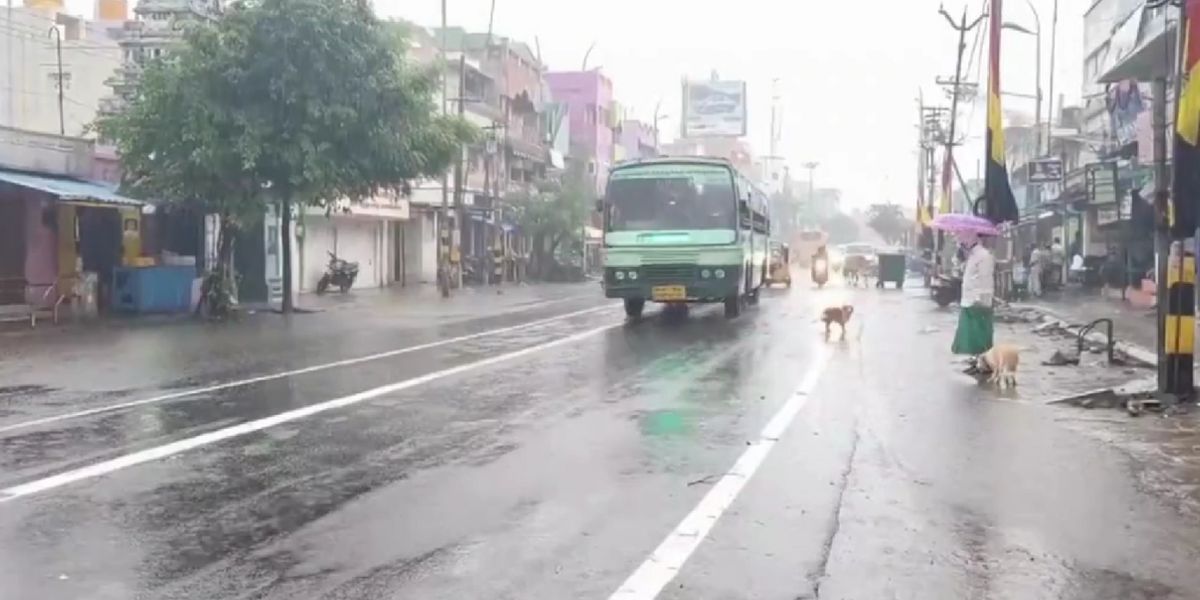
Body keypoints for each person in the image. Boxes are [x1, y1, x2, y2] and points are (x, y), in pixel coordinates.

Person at [952, 231, 996, 372]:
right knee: (972, 334)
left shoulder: (984, 256)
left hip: (978, 300)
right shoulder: (972, 256)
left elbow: (985, 278)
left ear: (975, 238)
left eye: (965, 237)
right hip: (969, 298)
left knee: (980, 333)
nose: (963, 241)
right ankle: (978, 361)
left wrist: (979, 298)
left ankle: (985, 364)